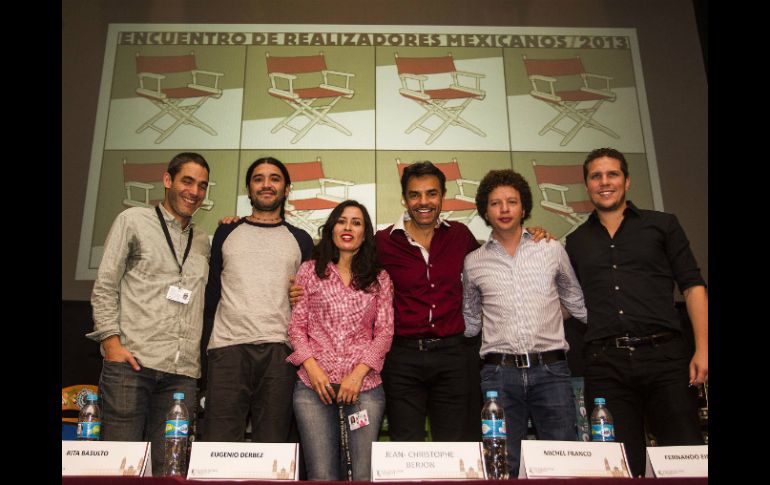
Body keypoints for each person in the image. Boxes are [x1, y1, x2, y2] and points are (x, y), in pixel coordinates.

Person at [565, 147, 708, 477]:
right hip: (606, 366)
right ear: (587, 185)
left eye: (612, 174)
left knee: (686, 461)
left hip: (666, 360)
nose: (605, 182)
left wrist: (703, 348)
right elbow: (567, 303)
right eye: (596, 176)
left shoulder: (663, 226)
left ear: (627, 181)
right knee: (616, 468)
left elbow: (693, 287)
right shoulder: (575, 241)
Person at [88, 152, 212, 474]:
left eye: (202, 186)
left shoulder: (201, 240)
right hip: (132, 364)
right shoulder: (133, 221)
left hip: (182, 372)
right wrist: (111, 343)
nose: (194, 192)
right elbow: (104, 287)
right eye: (187, 181)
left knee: (170, 471)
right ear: (168, 180)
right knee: (120, 469)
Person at [463, 169, 587, 476]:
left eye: (512, 202)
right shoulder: (473, 261)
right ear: (485, 210)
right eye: (495, 203)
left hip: (552, 371)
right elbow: (471, 319)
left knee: (562, 461)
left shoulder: (551, 249)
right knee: (503, 465)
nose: (504, 209)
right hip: (498, 376)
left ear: (523, 207)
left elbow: (575, 301)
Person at [202, 157, 313, 443]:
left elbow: (309, 302)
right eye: (258, 179)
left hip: (279, 352)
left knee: (273, 447)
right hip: (227, 349)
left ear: (287, 189)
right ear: (249, 189)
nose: (266, 185)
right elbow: (212, 294)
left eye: (274, 178)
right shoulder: (226, 231)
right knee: (219, 445)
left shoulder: (301, 239)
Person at [287, 200, 394, 480]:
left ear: (365, 233)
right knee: (322, 475)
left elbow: (384, 333)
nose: (348, 227)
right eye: (342, 220)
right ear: (332, 227)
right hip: (313, 388)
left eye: (356, 222)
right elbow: (297, 328)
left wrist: (358, 375)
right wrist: (312, 369)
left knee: (361, 475)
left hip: (364, 389)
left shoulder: (379, 278)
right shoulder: (310, 271)